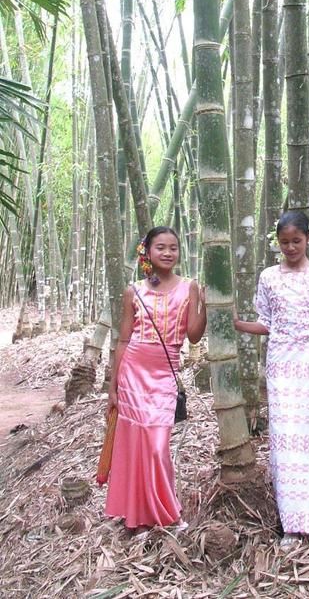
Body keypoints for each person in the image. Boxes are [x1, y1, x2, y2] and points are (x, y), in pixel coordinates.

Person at [234, 211, 309, 548]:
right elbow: (267, 322)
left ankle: (307, 520)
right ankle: (287, 520)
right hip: (280, 362)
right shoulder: (268, 277)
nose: (291, 247)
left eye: (297, 240)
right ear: (276, 243)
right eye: (284, 242)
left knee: (308, 438)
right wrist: (237, 323)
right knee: (283, 437)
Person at [105, 226, 206, 531]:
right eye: (160, 247)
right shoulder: (133, 291)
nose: (167, 252)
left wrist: (206, 304)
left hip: (165, 373)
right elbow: (123, 339)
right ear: (147, 252)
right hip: (133, 371)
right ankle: (136, 514)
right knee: (135, 442)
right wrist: (113, 385)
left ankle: (167, 513)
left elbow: (193, 335)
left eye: (173, 247)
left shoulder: (189, 286)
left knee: (157, 444)